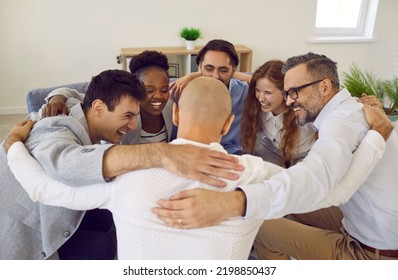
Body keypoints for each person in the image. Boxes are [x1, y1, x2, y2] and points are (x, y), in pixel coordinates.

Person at [5, 77, 388, 259]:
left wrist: (12, 147)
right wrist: (377, 136)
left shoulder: (125, 178)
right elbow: (337, 191)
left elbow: (41, 188)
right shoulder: (251, 173)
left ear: (174, 113)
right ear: (226, 126)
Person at [153, 52, 398, 260]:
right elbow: (334, 189)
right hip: (359, 221)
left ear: (324, 87)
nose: (289, 101)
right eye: (287, 93)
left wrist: (233, 203)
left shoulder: (340, 122)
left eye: (294, 93)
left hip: (373, 252)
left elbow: (323, 186)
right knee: (280, 205)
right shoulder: (351, 109)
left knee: (259, 223)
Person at [0, 70, 242, 260]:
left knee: (107, 217)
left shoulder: (88, 106)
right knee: (104, 246)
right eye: (127, 116)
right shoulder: (55, 128)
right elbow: (67, 165)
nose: (133, 126)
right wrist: (162, 153)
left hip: (58, 210)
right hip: (26, 234)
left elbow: (76, 93)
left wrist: (59, 94)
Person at [43, 50, 174, 144]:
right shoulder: (122, 102)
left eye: (164, 89)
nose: (158, 96)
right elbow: (86, 96)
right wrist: (57, 98)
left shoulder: (172, 105)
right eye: (149, 90)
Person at [169, 39, 249, 154]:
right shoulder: (183, 88)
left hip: (232, 155)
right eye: (209, 68)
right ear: (200, 66)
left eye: (223, 70)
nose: (215, 76)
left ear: (233, 69)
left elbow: (269, 84)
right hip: (187, 154)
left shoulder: (243, 91)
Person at [240, 60, 316, 167]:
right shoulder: (257, 106)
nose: (261, 98)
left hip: (304, 155)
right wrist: (233, 73)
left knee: (298, 178)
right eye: (258, 90)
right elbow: (255, 80)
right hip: (274, 151)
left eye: (268, 93)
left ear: (285, 91)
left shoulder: (303, 110)